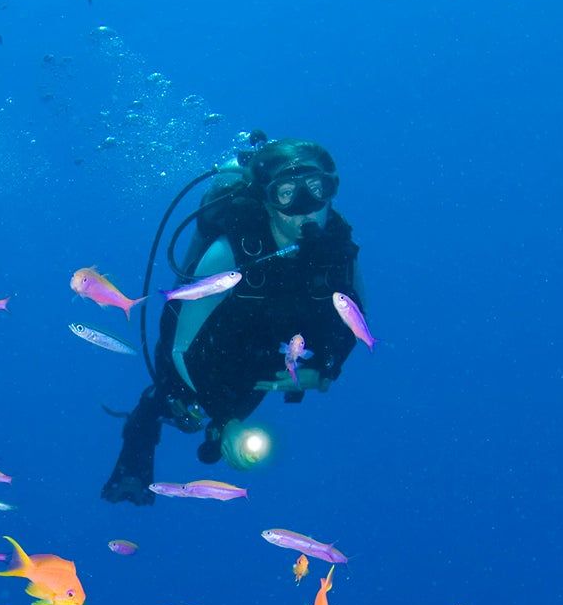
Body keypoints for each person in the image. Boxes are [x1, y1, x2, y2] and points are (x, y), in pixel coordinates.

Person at [101, 136, 365, 505]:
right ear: (267, 201)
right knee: (172, 401)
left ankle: (219, 425)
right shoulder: (231, 249)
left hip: (270, 352)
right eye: (287, 193)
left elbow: (354, 322)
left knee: (236, 414)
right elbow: (181, 346)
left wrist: (325, 370)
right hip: (204, 351)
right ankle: (136, 453)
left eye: (316, 189)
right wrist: (225, 420)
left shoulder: (339, 248)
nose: (305, 209)